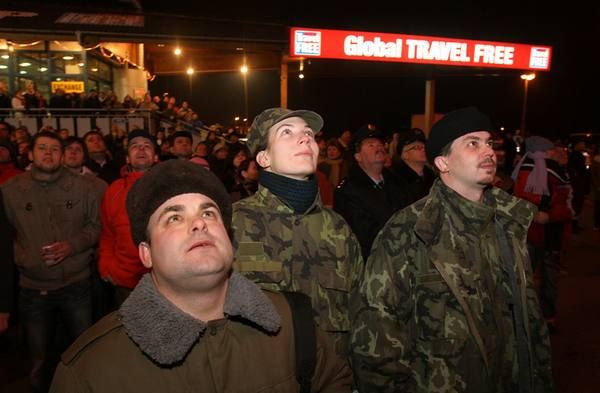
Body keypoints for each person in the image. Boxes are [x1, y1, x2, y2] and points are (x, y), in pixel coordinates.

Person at [49, 160, 351, 392]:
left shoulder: (291, 322)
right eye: (174, 217)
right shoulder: (90, 369)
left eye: (208, 213)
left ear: (229, 238)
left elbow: (334, 380)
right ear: (146, 253)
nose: (199, 225)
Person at [351, 106, 554, 392]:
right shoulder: (410, 230)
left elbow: (531, 326)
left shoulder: (508, 224)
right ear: (443, 163)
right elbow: (375, 338)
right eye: (472, 143)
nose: (488, 152)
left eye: (489, 143)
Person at [232, 107, 363, 357]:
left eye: (309, 134)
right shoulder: (232, 223)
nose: (305, 138)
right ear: (264, 158)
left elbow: (361, 315)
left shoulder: (338, 230)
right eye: (286, 132)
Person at [1, 131, 102, 393]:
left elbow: (96, 227)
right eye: (42, 148)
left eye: (55, 149)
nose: (48, 153)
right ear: (31, 154)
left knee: (84, 352)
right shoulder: (10, 192)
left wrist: (72, 246)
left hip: (76, 284)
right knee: (38, 359)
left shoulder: (83, 187)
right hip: (33, 288)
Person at [512, 136, 574, 331]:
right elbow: (567, 207)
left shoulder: (522, 169)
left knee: (526, 277)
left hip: (534, 233)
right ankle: (544, 318)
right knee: (545, 278)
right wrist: (546, 215)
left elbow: (516, 201)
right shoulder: (555, 172)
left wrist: (545, 216)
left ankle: (526, 318)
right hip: (544, 234)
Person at [98, 130, 157, 311]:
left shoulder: (170, 185)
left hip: (164, 281)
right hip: (125, 283)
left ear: (155, 157)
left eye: (147, 146)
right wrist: (106, 266)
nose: (141, 149)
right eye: (135, 146)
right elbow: (107, 234)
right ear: (127, 159)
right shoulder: (114, 190)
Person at [334, 126, 406, 259]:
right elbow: (362, 233)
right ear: (358, 156)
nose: (378, 147)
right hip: (371, 262)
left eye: (380, 144)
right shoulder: (348, 190)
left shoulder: (396, 182)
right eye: (371, 145)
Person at [391, 128, 436, 206]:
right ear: (404, 154)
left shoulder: (431, 175)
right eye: (417, 147)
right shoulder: (395, 179)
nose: (423, 150)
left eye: (424, 147)